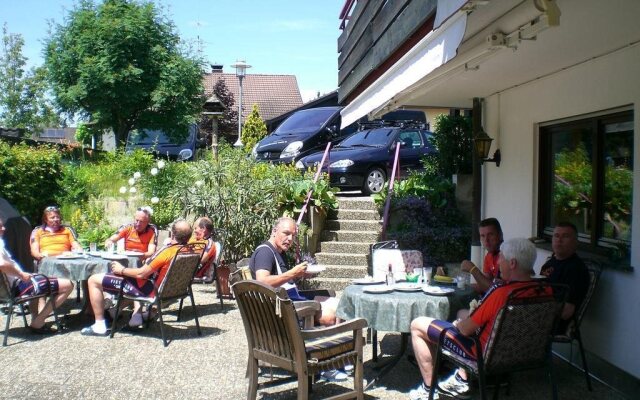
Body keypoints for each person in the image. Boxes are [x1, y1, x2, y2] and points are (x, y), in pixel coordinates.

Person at [409, 238, 549, 400]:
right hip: (524, 354)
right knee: (462, 316)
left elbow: (465, 329)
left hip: (482, 354)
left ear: (512, 263)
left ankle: (428, 390)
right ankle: (460, 378)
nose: (498, 262)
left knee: (417, 325)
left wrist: (458, 324)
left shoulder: (502, 293)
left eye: (501, 258)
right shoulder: (546, 290)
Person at [249, 216, 347, 381]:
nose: (290, 239)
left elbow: (284, 281)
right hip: (284, 311)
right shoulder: (265, 252)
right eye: (286, 233)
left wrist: (300, 275)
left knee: (341, 306)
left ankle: (336, 358)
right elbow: (262, 281)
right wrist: (293, 273)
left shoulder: (279, 252)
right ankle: (324, 364)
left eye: (293, 235)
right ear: (274, 231)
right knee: (331, 317)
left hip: (290, 300)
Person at [81, 219, 193, 336]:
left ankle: (99, 326)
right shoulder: (190, 251)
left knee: (93, 280)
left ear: (173, 234)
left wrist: (121, 270)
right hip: (172, 291)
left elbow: (141, 274)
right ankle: (129, 315)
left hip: (149, 291)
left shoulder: (167, 252)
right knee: (129, 275)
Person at [1, 216, 74, 334]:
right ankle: (38, 322)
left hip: (10, 287)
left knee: (36, 277)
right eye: (0, 227)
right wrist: (20, 274)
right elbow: (2, 264)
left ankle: (36, 318)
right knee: (67, 285)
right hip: (17, 286)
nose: (4, 228)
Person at [540, 222, 590, 333]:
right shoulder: (549, 264)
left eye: (565, 236)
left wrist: (536, 308)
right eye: (556, 236)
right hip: (539, 316)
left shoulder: (577, 270)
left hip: (555, 324)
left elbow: (566, 312)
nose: (559, 240)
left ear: (575, 242)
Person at [460, 217, 504, 293]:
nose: (486, 240)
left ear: (500, 235)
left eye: (490, 235)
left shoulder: (507, 255)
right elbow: (484, 284)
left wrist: (472, 269)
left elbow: (495, 290)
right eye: (482, 236)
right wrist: (460, 286)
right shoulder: (489, 256)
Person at [191, 217, 218, 282]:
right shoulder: (195, 240)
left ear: (203, 229)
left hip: (194, 272)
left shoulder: (209, 244)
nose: (194, 231)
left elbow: (202, 260)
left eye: (196, 228)